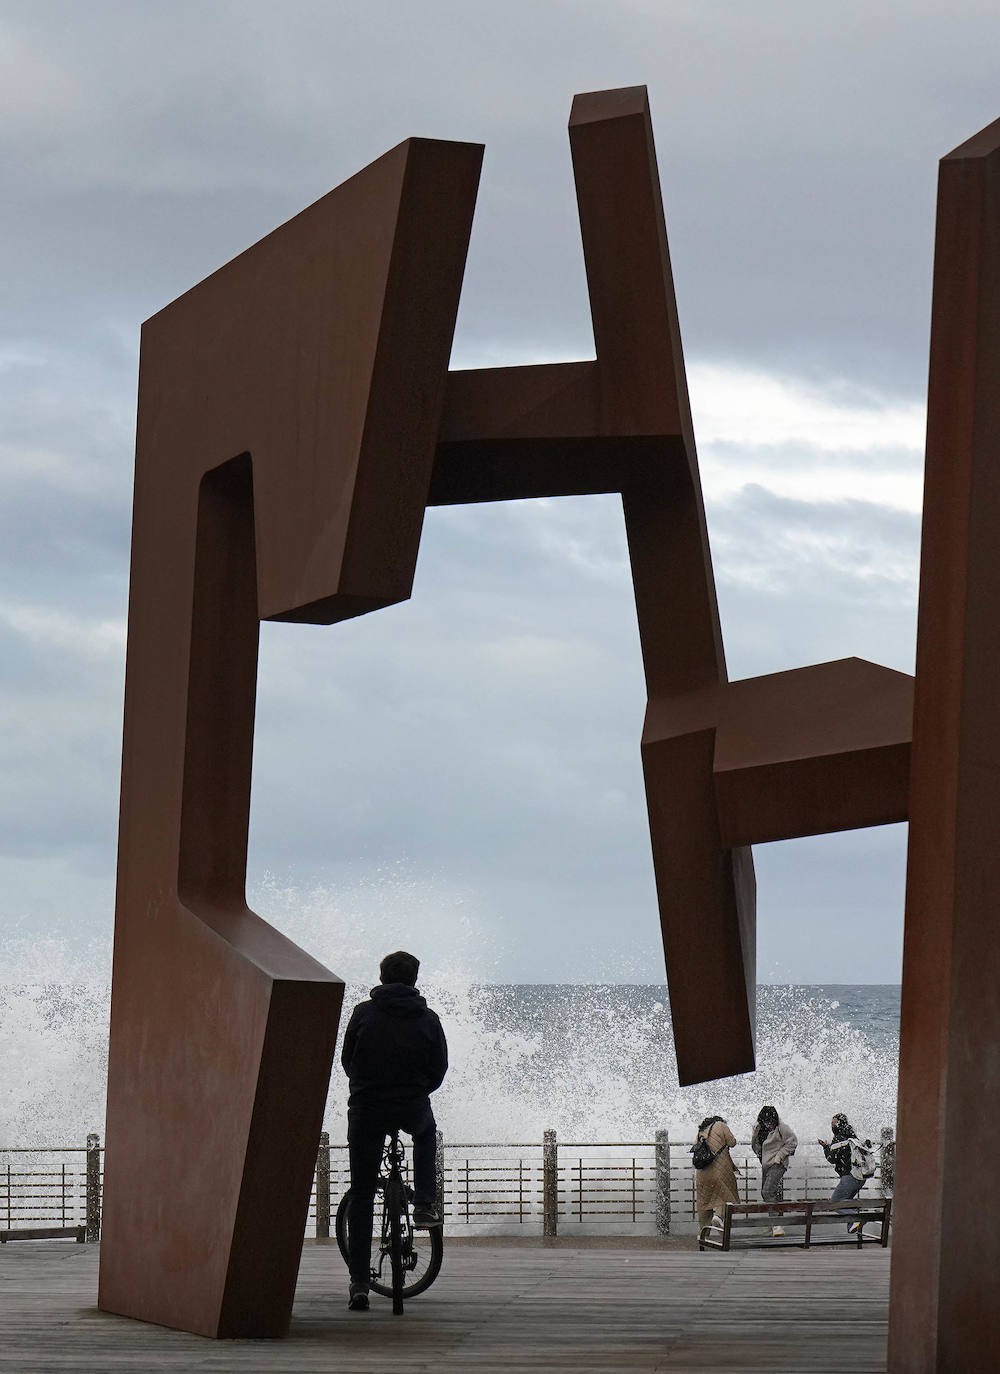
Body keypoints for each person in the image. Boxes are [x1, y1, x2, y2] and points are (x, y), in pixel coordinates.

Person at [341, 950, 448, 1311]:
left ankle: (359, 1283)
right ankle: (423, 1204)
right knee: (425, 1133)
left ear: (382, 977)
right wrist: (416, 1091)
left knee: (362, 1194)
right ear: (414, 979)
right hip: (410, 1104)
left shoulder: (363, 1013)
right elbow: (439, 1068)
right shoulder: (428, 1018)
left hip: (367, 1107)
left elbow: (348, 1060)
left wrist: (367, 1088)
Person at [818, 1112, 872, 1234]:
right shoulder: (852, 1137)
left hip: (850, 1177)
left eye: (833, 1123)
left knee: (835, 1202)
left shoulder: (838, 1138)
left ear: (839, 1124)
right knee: (846, 1203)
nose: (832, 1125)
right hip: (860, 1177)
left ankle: (857, 1219)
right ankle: (852, 1225)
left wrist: (826, 1147)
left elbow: (831, 1158)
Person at [750, 1104, 797, 1236]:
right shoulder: (759, 1129)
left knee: (767, 1191)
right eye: (766, 1122)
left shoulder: (782, 1127)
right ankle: (776, 1225)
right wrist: (755, 1135)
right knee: (774, 1194)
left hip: (778, 1164)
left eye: (771, 1122)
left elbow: (793, 1142)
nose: (769, 1125)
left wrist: (779, 1156)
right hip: (766, 1165)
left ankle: (776, 1224)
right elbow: (755, 1146)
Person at [693, 1115, 740, 1240]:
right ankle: (718, 1217)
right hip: (719, 1170)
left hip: (702, 1173)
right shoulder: (721, 1125)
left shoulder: (700, 1132)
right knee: (725, 1195)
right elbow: (732, 1142)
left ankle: (703, 1233)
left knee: (704, 1202)